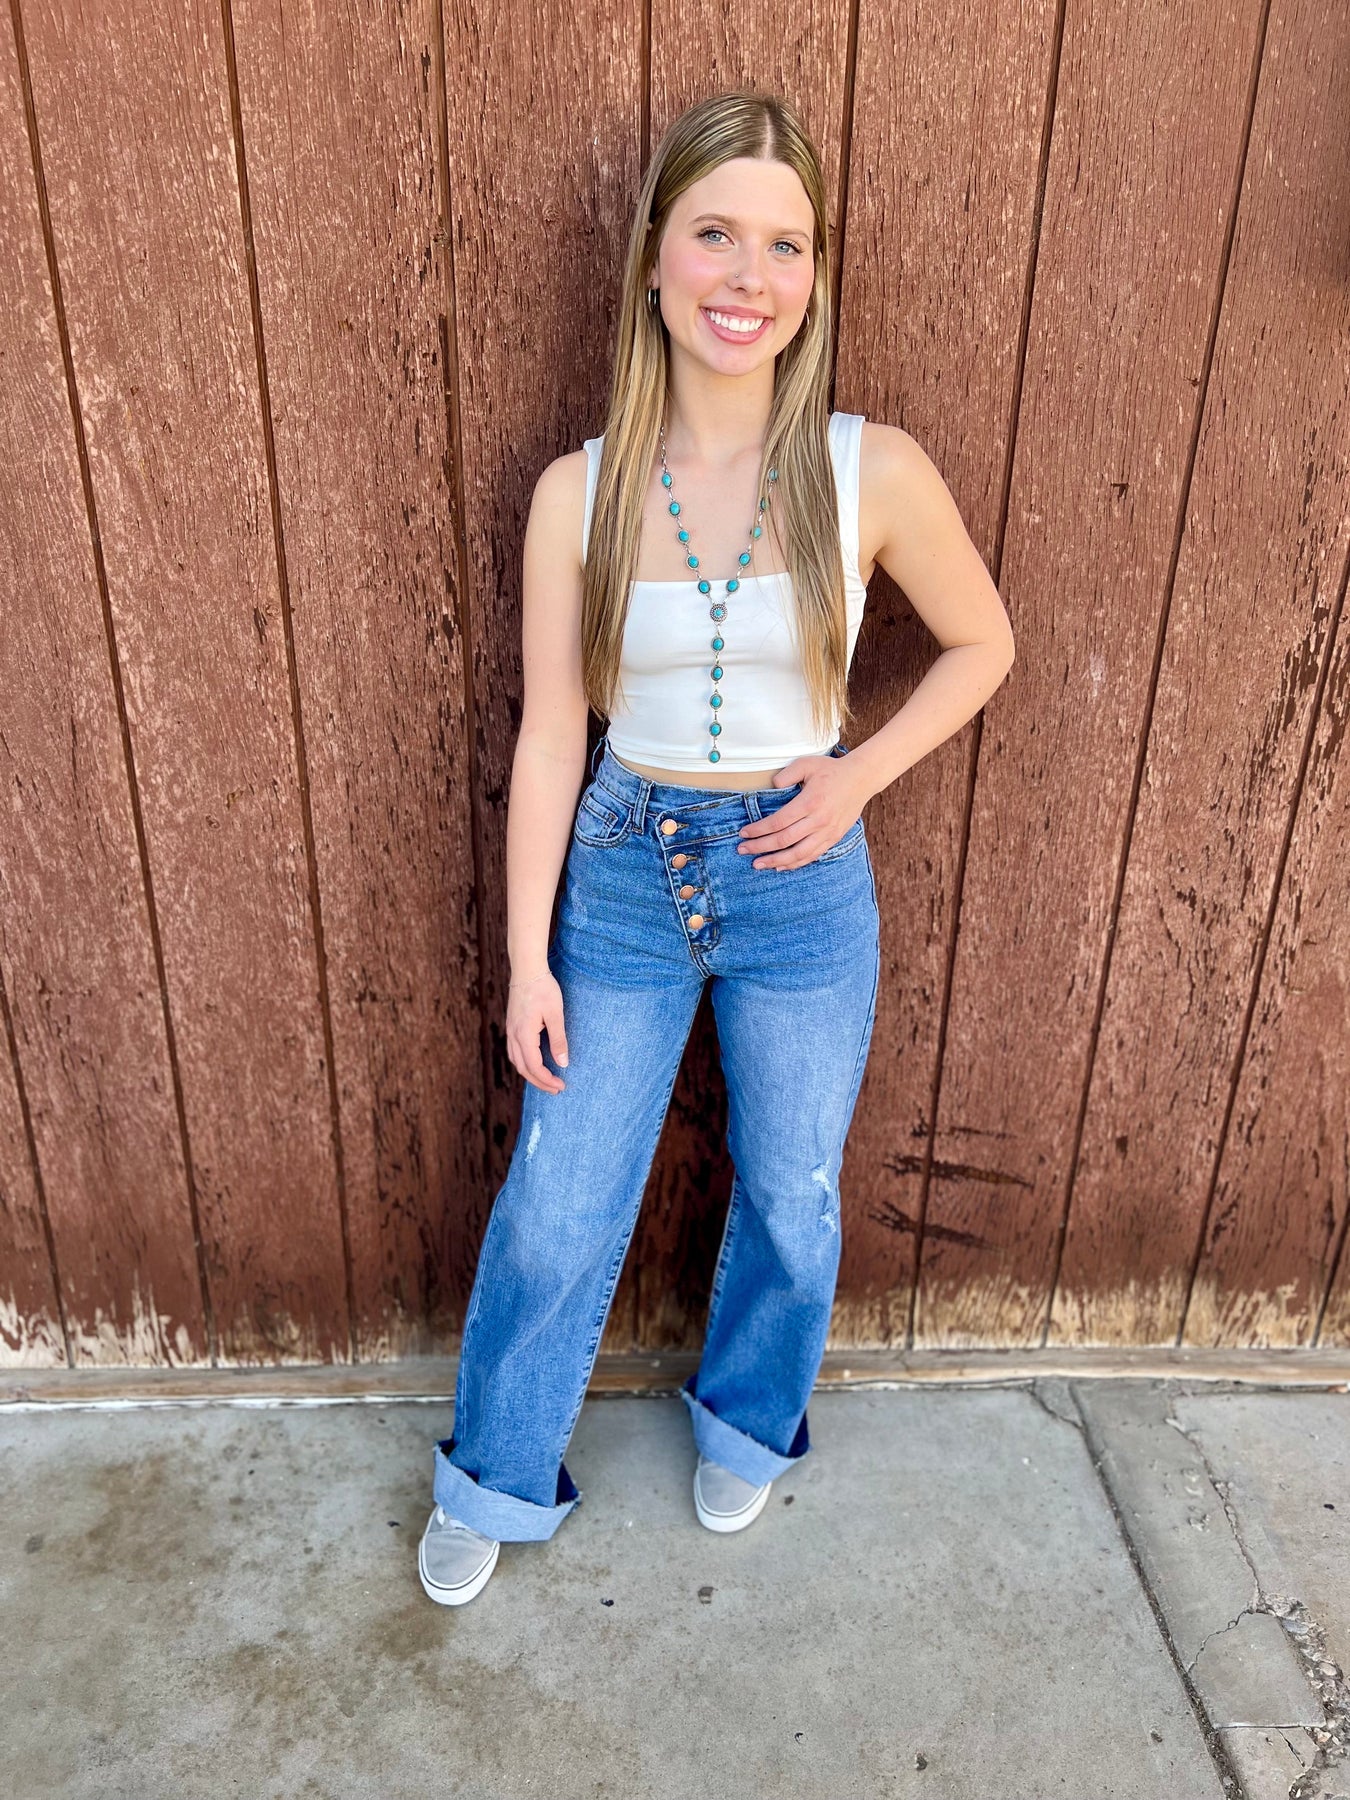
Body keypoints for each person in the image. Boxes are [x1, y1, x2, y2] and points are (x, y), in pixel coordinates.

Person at [419, 89, 1015, 1606]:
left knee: (792, 1188)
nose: (750, 277)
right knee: (560, 1196)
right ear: (654, 259)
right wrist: (526, 960)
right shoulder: (580, 491)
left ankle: (750, 1416)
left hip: (799, 878)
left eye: (785, 244)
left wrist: (859, 776)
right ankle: (495, 1468)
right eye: (716, 235)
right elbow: (551, 736)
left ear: (814, 274)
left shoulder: (871, 471)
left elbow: (984, 644)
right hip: (624, 869)